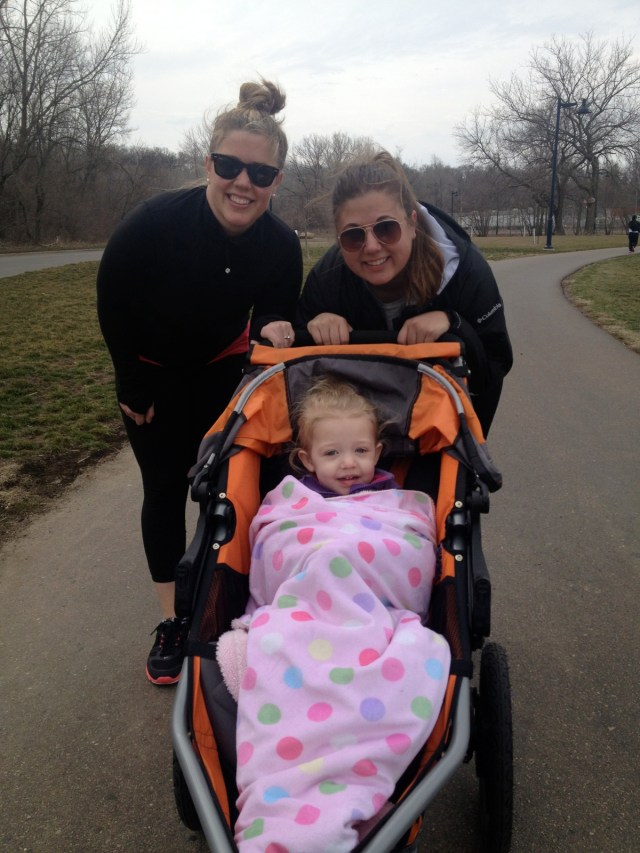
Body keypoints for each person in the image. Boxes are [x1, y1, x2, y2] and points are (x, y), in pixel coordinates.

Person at [97, 78, 303, 685]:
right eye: (229, 166)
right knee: (162, 489)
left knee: (227, 492)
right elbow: (114, 301)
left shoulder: (281, 244)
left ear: (277, 182)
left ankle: (220, 606)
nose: (243, 183)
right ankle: (171, 619)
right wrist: (131, 382)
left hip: (220, 373)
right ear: (207, 163)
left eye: (260, 175)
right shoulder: (154, 223)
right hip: (154, 380)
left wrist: (276, 329)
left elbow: (271, 313)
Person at [217, 377, 450, 852]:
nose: (349, 464)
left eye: (361, 450)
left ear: (380, 451)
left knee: (399, 632)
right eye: (332, 454)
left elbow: (413, 547)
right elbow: (273, 547)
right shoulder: (289, 504)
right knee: (293, 619)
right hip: (303, 603)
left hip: (377, 605)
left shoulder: (398, 504)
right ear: (305, 460)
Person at [296, 150, 513, 435]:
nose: (371, 246)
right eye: (353, 235)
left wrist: (455, 322)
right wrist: (315, 324)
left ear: (412, 223)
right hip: (350, 441)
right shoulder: (327, 279)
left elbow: (494, 366)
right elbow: (295, 377)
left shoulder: (467, 273)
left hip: (437, 431)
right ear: (339, 239)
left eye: (386, 228)